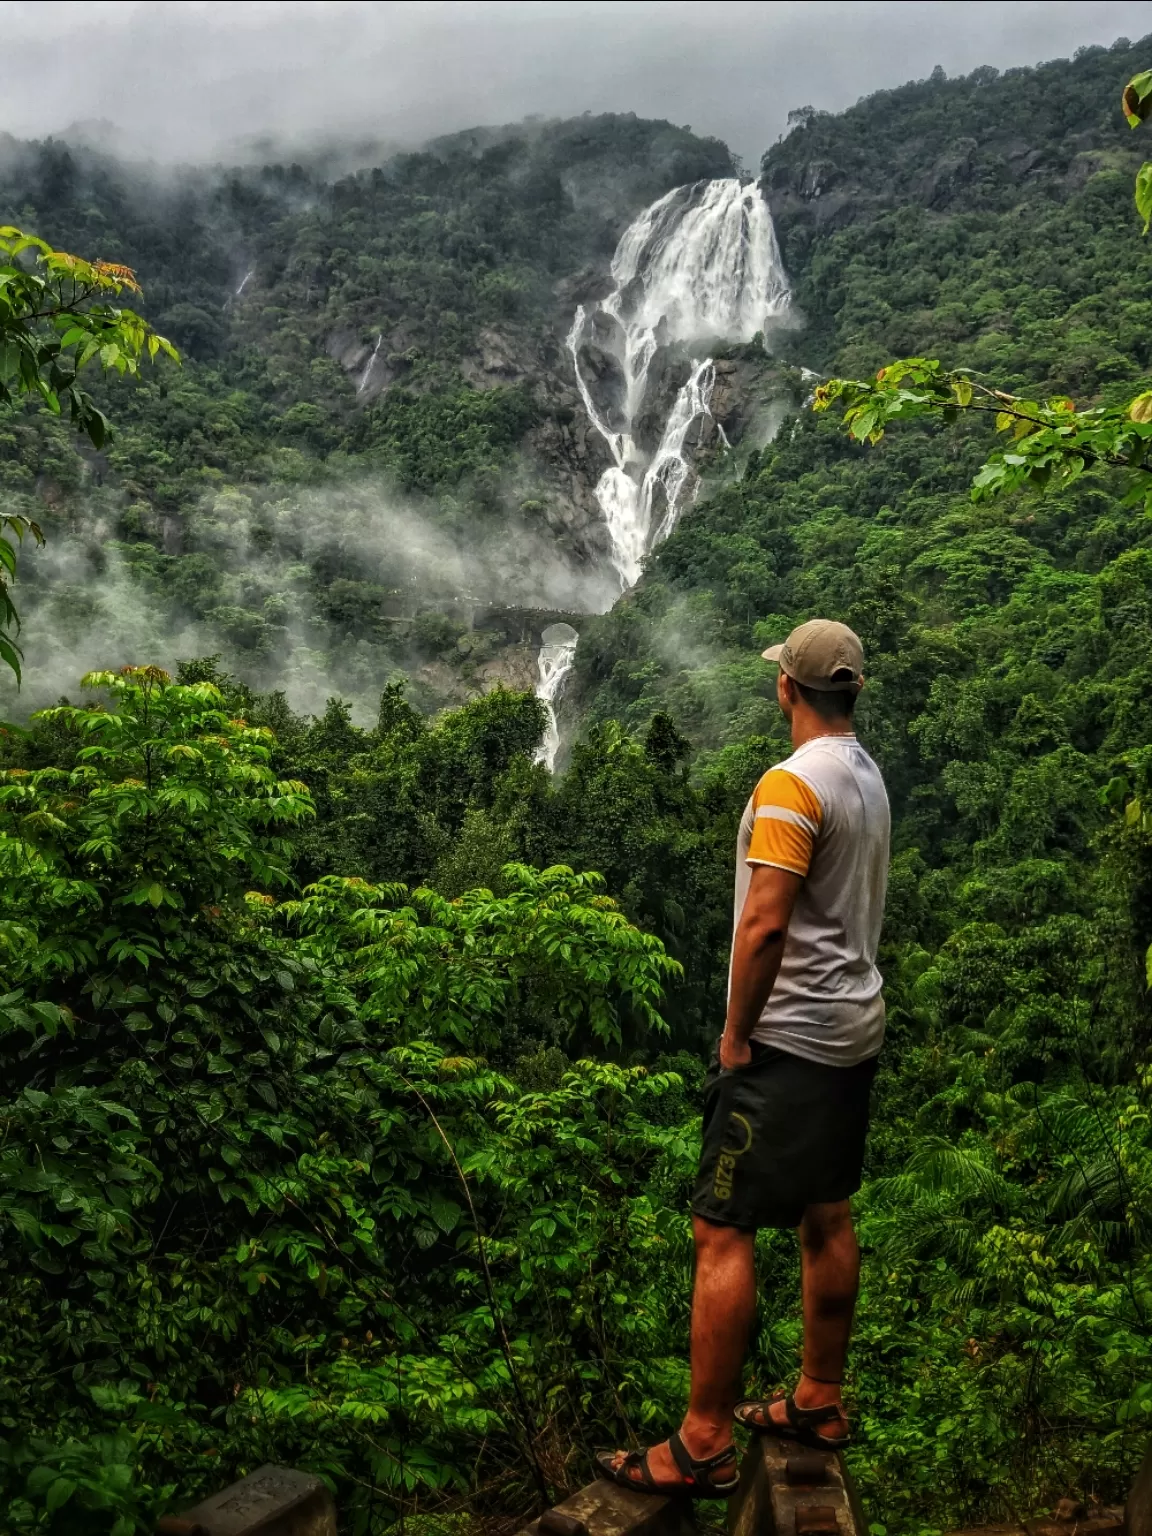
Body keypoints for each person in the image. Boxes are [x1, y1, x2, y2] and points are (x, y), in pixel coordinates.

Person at [597, 618, 890, 1499]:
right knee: (826, 1214)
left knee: (721, 1230)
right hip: (852, 1031)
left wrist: (734, 1037)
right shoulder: (868, 777)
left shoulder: (791, 786)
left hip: (788, 1036)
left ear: (786, 689)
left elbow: (763, 924)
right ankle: (819, 1399)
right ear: (853, 693)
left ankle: (701, 1441)